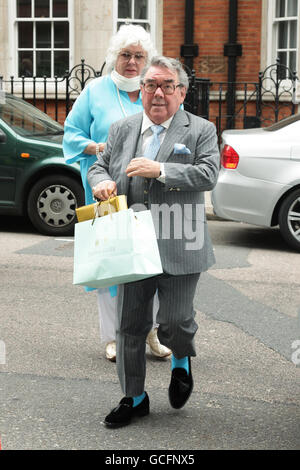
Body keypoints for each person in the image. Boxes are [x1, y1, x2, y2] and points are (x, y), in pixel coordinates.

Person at [87, 56, 220, 427]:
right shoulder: (122, 128)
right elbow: (100, 164)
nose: (158, 93)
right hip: (130, 243)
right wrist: (100, 181)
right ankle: (135, 397)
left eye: (167, 85)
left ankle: (181, 359)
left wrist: (160, 170)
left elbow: (209, 173)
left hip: (181, 240)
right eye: (150, 85)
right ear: (140, 90)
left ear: (181, 92)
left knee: (175, 322)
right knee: (130, 325)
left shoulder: (200, 129)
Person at [62, 25, 171, 362]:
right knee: (110, 264)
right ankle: (112, 337)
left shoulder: (153, 91)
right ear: (114, 57)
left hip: (147, 192)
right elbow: (71, 133)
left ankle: (150, 331)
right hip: (105, 191)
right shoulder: (95, 91)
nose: (132, 62)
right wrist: (95, 146)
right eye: (125, 55)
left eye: (139, 56)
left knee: (148, 262)